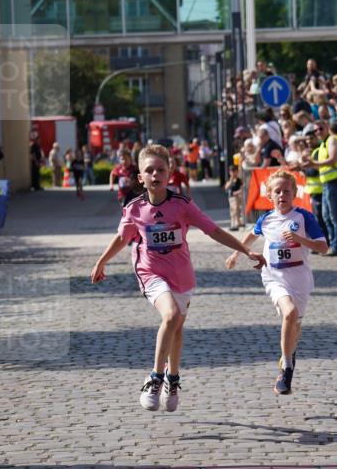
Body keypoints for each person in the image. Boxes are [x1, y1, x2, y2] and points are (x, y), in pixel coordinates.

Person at [91, 145, 264, 412]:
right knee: (170, 315)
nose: (155, 174)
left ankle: (173, 378)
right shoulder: (135, 207)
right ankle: (155, 378)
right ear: (140, 178)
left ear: (170, 173)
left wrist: (245, 250)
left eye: (161, 169)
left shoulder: (182, 204)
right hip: (150, 272)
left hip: (181, 275)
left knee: (177, 327)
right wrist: (102, 261)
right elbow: (122, 238)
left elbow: (214, 231)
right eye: (149, 170)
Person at [225, 169, 327, 395]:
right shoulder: (266, 219)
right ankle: (287, 368)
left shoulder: (303, 217)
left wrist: (300, 240)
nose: (282, 195)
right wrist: (237, 253)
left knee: (295, 326)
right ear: (269, 196)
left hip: (299, 277)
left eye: (286, 191)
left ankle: (287, 353)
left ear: (295, 194)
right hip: (274, 276)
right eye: (277, 192)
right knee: (289, 314)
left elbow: (323, 247)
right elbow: (252, 235)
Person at [312, 119, 337, 256]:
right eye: (316, 130)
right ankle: (333, 245)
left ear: (327, 127)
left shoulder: (332, 140)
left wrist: (313, 163)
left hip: (335, 181)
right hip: (327, 183)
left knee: (334, 216)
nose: (318, 132)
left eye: (320, 128)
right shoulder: (323, 144)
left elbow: (332, 159)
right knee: (326, 216)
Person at [224, 164, 243, 231]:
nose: (232, 173)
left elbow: (242, 188)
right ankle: (233, 223)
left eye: (234, 171)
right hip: (230, 197)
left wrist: (237, 192)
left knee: (235, 210)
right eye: (231, 171)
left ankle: (236, 224)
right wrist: (231, 181)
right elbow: (226, 187)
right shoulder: (230, 180)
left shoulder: (238, 180)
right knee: (232, 211)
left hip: (236, 197)